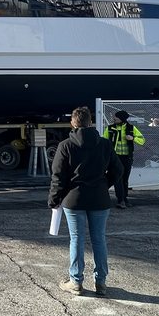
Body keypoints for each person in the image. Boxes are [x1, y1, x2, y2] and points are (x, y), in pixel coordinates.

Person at [48, 106, 123, 297]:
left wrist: (54, 199)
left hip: (74, 200)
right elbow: (118, 170)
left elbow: (58, 176)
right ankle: (101, 282)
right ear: (91, 122)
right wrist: (104, 185)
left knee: (77, 239)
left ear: (73, 123)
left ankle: (76, 282)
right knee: (99, 240)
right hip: (99, 199)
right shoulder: (105, 144)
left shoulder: (65, 145)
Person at [102, 110, 145, 208]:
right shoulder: (110, 128)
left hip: (127, 157)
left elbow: (142, 140)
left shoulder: (131, 128)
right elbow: (104, 141)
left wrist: (133, 138)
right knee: (118, 178)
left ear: (121, 118)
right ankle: (120, 200)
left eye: (116, 117)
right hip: (115, 158)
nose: (114, 119)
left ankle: (124, 198)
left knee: (125, 179)